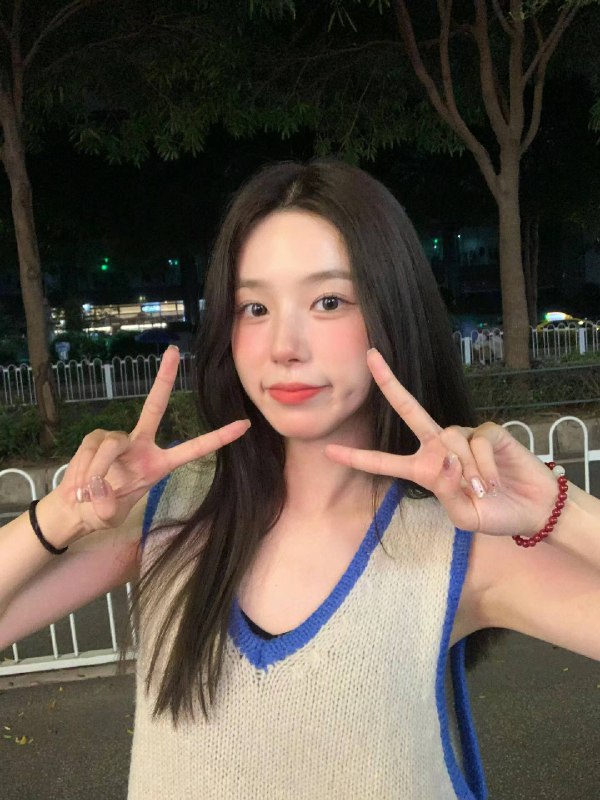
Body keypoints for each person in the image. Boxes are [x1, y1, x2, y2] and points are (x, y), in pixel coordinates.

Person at [1, 160, 599, 800]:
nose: (284, 345)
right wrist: (64, 513)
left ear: (394, 311)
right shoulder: (169, 512)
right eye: (254, 307)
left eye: (329, 302)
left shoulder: (458, 541)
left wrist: (555, 507)